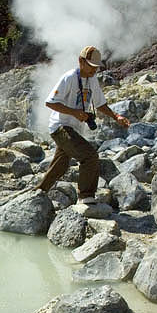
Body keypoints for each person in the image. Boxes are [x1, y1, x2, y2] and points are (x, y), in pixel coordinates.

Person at [36, 45, 130, 204]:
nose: (94, 70)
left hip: (73, 128)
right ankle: (85, 196)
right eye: (92, 67)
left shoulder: (92, 79)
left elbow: (100, 104)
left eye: (97, 67)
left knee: (61, 164)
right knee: (89, 156)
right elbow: (50, 102)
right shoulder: (69, 77)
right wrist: (74, 112)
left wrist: (116, 116)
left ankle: (39, 191)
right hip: (60, 126)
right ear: (81, 61)